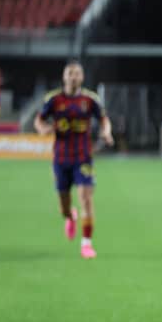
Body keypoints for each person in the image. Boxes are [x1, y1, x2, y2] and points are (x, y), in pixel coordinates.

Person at [33, 61, 113, 259]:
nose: (74, 77)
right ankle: (70, 216)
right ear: (64, 77)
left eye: (77, 73)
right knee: (64, 207)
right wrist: (42, 129)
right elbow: (39, 119)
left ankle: (86, 244)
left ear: (82, 77)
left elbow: (104, 119)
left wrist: (107, 132)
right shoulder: (53, 99)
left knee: (86, 198)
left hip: (83, 157)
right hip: (60, 158)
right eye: (70, 73)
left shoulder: (90, 99)